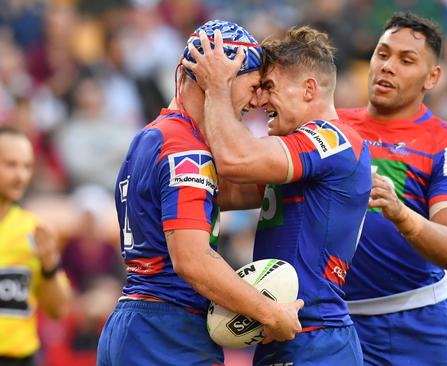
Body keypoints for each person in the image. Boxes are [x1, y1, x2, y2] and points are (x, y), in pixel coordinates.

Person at [96, 20, 303, 366]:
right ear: (217, 79)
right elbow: (192, 260)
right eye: (253, 86)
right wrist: (270, 313)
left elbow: (246, 191)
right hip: (167, 333)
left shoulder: (153, 136)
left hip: (133, 322)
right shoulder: (186, 151)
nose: (256, 101)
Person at [182, 26, 371, 365]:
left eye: (269, 87)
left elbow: (235, 161)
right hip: (280, 329)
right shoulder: (294, 159)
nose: (261, 100)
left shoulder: (333, 140)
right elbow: (220, 190)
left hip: (318, 337)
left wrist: (217, 89)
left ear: (309, 89)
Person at [337, 12, 447, 366]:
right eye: (382, 54)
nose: (388, 66)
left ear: (432, 77)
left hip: (419, 324)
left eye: (406, 60)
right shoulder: (332, 128)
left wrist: (400, 213)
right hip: (335, 323)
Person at [0, 127, 71, 366]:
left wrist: (50, 266)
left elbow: (59, 310)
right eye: (11, 165)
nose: (21, 175)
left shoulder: (36, 231)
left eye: (27, 166)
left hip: (20, 358)